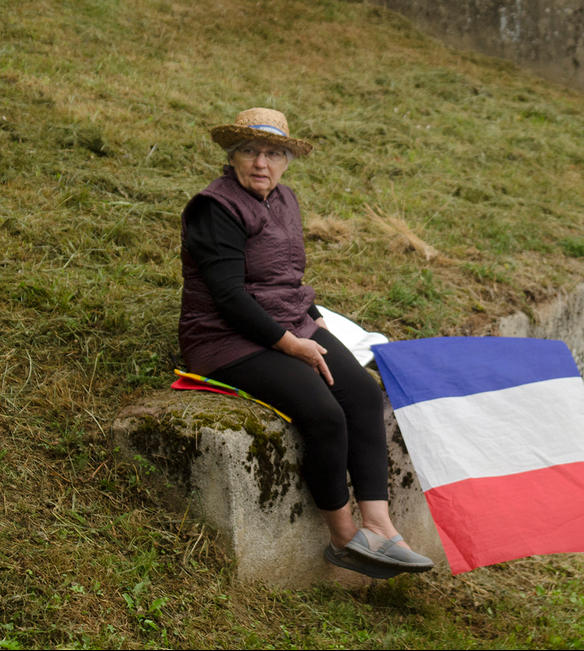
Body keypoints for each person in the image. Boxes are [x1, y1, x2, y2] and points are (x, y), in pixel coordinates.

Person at [178, 107, 433, 578]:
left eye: (273, 153)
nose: (262, 163)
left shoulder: (285, 200)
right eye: (251, 151)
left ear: (286, 162)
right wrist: (290, 345)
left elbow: (287, 280)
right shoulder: (215, 208)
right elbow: (229, 297)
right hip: (224, 337)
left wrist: (316, 326)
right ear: (233, 157)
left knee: (361, 392)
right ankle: (344, 539)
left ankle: (380, 527)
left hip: (290, 321)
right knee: (322, 412)